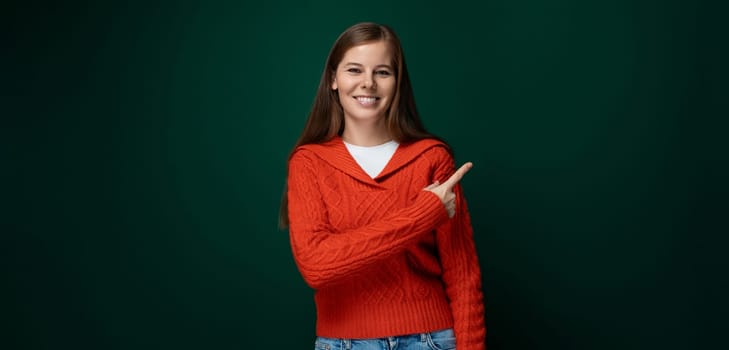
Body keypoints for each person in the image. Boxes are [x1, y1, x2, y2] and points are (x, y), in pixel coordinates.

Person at [280, 22, 485, 350]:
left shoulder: (431, 158)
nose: (368, 83)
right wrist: (422, 215)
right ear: (333, 79)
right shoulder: (308, 162)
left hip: (430, 339)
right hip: (342, 341)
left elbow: (463, 276)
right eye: (354, 70)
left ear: (398, 82)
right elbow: (316, 265)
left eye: (383, 72)